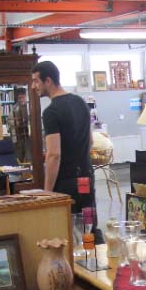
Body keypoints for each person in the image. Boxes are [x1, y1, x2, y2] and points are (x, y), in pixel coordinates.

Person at [32, 60, 96, 214]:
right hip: (86, 176)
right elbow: (90, 141)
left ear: (48, 81)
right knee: (89, 225)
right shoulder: (81, 102)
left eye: (36, 81)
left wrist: (47, 193)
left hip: (66, 182)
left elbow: (54, 155)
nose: (34, 86)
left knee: (67, 230)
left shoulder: (51, 112)